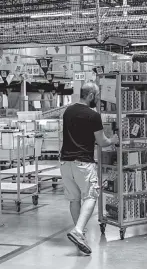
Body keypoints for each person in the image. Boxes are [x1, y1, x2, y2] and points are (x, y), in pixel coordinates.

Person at [60, 82, 119, 255]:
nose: (98, 99)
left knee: (74, 199)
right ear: (91, 95)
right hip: (83, 163)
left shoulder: (67, 112)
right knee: (92, 195)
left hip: (65, 162)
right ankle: (78, 231)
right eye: (97, 96)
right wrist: (113, 140)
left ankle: (81, 235)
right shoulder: (93, 116)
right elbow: (102, 142)